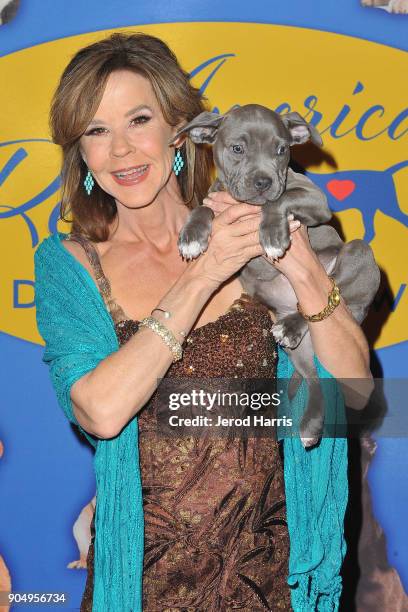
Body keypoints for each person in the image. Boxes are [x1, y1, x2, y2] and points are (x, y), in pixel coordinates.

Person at [35, 33, 373, 611]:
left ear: (179, 131)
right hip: (145, 581)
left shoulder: (251, 221)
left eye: (138, 119)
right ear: (82, 154)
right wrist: (201, 274)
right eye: (96, 130)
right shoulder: (69, 264)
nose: (120, 150)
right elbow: (100, 410)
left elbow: (353, 391)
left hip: (271, 575)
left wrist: (301, 266)